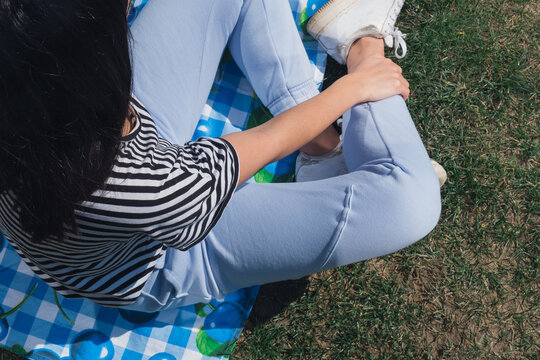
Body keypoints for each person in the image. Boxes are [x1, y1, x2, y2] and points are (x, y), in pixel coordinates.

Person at [0, 0, 441, 312]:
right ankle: (363, 42)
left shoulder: (30, 94)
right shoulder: (135, 185)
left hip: (92, 130)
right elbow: (264, 142)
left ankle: (323, 145)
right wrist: (356, 85)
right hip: (160, 256)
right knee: (410, 200)